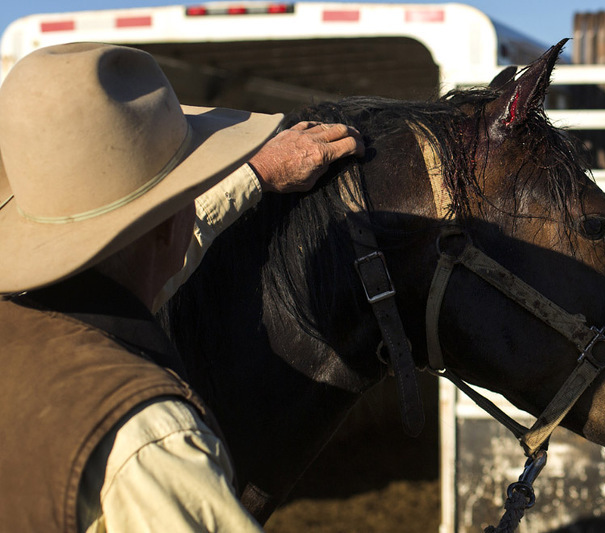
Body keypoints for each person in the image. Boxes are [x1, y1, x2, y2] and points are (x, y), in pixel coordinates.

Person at [0, 42, 363, 532]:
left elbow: (148, 251)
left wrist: (252, 176)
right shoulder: (149, 436)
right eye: (191, 189)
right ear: (170, 226)